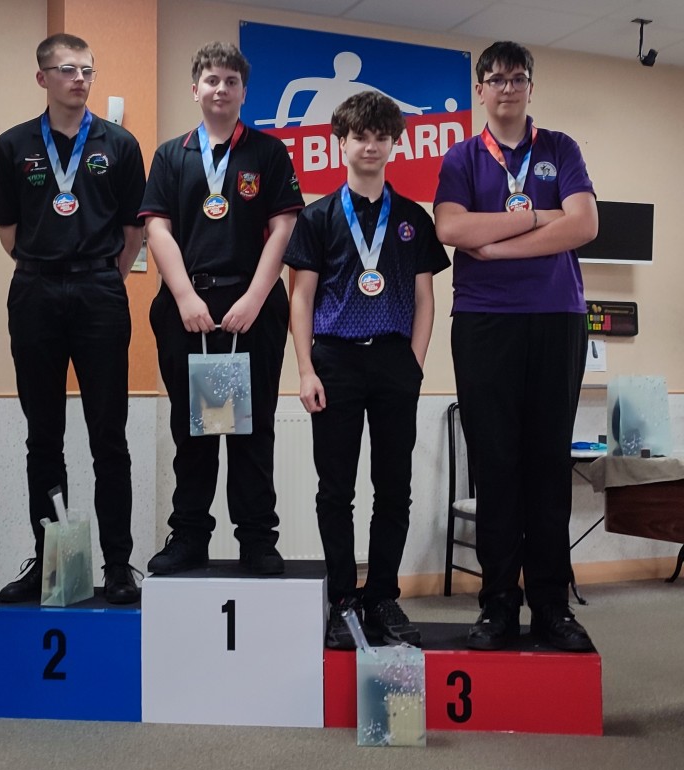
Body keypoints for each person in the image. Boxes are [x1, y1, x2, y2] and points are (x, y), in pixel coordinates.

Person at [433, 41, 598, 651]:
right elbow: (451, 227)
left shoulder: (560, 148)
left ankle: (551, 604)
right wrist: (538, 217)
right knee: (496, 465)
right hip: (485, 322)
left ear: (531, 87)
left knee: (548, 464)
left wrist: (498, 244)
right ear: (479, 89)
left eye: (517, 78)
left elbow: (585, 224)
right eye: (496, 79)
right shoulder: (462, 157)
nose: (507, 88)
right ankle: (499, 602)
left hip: (556, 318)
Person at [284, 92, 450, 649]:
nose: (371, 146)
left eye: (381, 137)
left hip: (394, 361)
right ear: (341, 143)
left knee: (393, 488)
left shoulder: (413, 219)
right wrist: (305, 369)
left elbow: (425, 297)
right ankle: (342, 599)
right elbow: (301, 298)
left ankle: (381, 594)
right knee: (335, 490)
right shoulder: (317, 217)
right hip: (334, 359)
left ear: (395, 144)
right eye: (360, 136)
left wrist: (414, 364)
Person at [0, 33, 146, 604]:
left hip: (99, 293)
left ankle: (118, 565)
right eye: (67, 69)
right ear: (43, 78)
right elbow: (9, 233)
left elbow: (133, 233)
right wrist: (49, 267)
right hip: (34, 290)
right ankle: (51, 564)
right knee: (43, 438)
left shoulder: (119, 145)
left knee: (110, 436)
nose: (79, 79)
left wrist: (97, 275)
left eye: (87, 70)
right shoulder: (13, 146)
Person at [139, 42, 304, 575]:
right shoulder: (172, 155)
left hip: (252, 307)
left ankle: (257, 541)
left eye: (231, 81)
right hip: (189, 310)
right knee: (195, 432)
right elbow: (157, 228)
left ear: (243, 91)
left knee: (251, 431)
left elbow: (284, 227)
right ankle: (189, 537)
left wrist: (255, 297)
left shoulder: (268, 153)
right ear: (196, 89)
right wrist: (185, 297)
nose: (221, 89)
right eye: (212, 80)